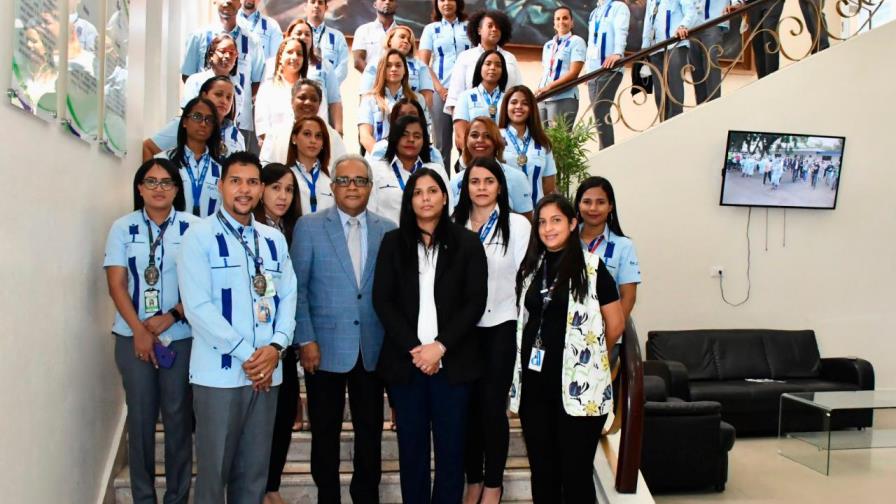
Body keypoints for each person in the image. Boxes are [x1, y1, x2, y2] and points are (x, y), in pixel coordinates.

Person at [177, 151, 297, 504]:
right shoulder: (198, 237)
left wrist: (275, 348)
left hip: (267, 375)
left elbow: (288, 295)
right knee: (214, 475)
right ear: (220, 186)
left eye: (252, 182)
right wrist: (251, 356)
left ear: (260, 189)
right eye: (236, 181)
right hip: (219, 376)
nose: (244, 190)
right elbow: (198, 308)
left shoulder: (273, 240)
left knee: (254, 474)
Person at [373, 168, 488, 504]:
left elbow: (474, 302)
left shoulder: (467, 243)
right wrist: (416, 350)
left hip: (453, 365)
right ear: (410, 201)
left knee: (452, 453)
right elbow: (384, 300)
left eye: (432, 190)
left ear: (444, 196)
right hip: (406, 365)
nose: (425, 198)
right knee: (412, 452)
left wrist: (439, 348)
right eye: (418, 192)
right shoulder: (393, 243)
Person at [292, 154, 396, 504]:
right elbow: (298, 289)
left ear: (370, 187)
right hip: (322, 348)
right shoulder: (309, 227)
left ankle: (365, 496)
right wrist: (305, 338)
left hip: (373, 349)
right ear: (332, 186)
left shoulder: (388, 230)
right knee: (324, 433)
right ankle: (328, 497)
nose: (352, 187)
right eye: (344, 180)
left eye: (360, 181)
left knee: (370, 433)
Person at [509, 194, 625, 504]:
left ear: (573, 224)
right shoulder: (532, 267)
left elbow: (615, 325)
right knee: (543, 473)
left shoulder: (593, 269)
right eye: (542, 222)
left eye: (556, 220)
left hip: (578, 391)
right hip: (535, 388)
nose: (548, 228)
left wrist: (590, 358)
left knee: (575, 475)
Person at [104, 159, 198, 504]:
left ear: (177, 189)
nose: (159, 188)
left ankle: (177, 497)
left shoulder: (193, 227)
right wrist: (139, 331)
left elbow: (203, 286)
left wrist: (171, 316)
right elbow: (116, 284)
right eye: (151, 182)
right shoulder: (122, 227)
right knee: (141, 420)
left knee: (178, 419)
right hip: (133, 337)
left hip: (181, 337)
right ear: (139, 188)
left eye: (166, 182)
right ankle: (144, 497)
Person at [452, 157, 530, 504]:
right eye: (474, 181)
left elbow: (525, 281)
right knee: (466, 407)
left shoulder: (517, 225)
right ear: (465, 187)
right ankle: (474, 479)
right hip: (462, 331)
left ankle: (494, 483)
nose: (481, 188)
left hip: (501, 324)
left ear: (500, 185)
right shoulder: (454, 225)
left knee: (491, 406)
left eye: (488, 181)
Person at [252, 163, 303, 504]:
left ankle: (270, 486)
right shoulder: (248, 229)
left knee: (284, 416)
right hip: (251, 340)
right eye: (275, 188)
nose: (282, 196)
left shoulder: (296, 230)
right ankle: (253, 487)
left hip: (284, 338)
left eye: (288, 189)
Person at [181, 0, 266, 150]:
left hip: (240, 124)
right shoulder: (198, 36)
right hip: (201, 123)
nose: (227, 1)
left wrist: (232, 102)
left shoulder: (252, 40)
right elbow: (188, 76)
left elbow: (257, 82)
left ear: (240, 3)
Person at [574, 177, 640, 319]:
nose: (593, 208)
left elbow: (628, 297)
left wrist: (609, 335)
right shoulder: (566, 240)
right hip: (567, 333)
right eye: (587, 202)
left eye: (601, 202)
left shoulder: (623, 246)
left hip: (607, 333)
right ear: (578, 204)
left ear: (610, 206)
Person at [419, 0, 471, 171]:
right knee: (442, 145)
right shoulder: (431, 29)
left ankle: (465, 186)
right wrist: (440, 89)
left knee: (467, 143)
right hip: (440, 92)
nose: (446, 3)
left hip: (466, 94)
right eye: (441, 0)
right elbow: (423, 63)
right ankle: (444, 188)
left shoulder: (469, 27)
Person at [369, 115, 450, 224]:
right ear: (394, 138)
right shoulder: (375, 170)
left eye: (417, 136)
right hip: (387, 238)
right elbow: (370, 213)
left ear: (424, 141)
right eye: (404, 135)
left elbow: (448, 211)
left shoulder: (436, 170)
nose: (411, 140)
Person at [144, 76, 244, 161]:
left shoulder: (236, 135)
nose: (224, 101)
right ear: (204, 95)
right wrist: (149, 180)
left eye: (229, 97)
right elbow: (148, 147)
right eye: (218, 94)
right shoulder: (186, 123)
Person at [449, 117, 533, 216]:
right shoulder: (454, 182)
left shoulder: (517, 178)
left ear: (496, 142)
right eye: (474, 135)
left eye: (487, 136)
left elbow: (526, 223)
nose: (480, 140)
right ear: (466, 141)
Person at [445, 10, 522, 115]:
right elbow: (454, 98)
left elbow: (519, 91)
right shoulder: (465, 57)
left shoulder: (510, 58)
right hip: (472, 119)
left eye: (498, 27)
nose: (494, 29)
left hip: (503, 119)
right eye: (490, 26)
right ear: (479, 30)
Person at [259, 79, 348, 169]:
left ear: (319, 104)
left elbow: (343, 168)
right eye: (302, 98)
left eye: (313, 99)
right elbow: (265, 167)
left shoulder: (332, 136)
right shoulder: (275, 134)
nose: (308, 102)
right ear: (292, 101)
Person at [358, 49, 429, 154]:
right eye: (388, 65)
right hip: (378, 158)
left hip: (409, 158)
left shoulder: (418, 99)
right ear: (381, 69)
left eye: (398, 65)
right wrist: (383, 159)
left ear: (405, 70)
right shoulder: (369, 99)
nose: (394, 69)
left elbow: (424, 133)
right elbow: (365, 136)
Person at [164, 97, 225, 218]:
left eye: (209, 120)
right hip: (173, 233)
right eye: (197, 116)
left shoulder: (222, 168)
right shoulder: (164, 161)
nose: (203, 123)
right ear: (185, 122)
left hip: (210, 234)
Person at [281, 19, 344, 133]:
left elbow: (334, 100)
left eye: (307, 34)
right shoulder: (278, 65)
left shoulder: (324, 65)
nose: (303, 37)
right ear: (289, 36)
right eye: (299, 33)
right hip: (286, 129)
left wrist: (339, 131)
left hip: (317, 130)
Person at [499, 85, 557, 207]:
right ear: (506, 107)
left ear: (531, 108)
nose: (519, 106)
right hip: (506, 213)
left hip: (536, 214)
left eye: (525, 103)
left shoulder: (542, 142)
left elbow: (548, 185)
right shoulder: (496, 138)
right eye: (514, 102)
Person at [584, 0, 629, 149]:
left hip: (610, 68)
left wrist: (617, 53)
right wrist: (587, 70)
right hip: (593, 72)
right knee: (598, 115)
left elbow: (621, 30)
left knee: (600, 109)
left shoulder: (619, 7)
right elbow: (592, 42)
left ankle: (606, 150)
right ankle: (606, 149)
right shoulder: (594, 12)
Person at [641, 0, 697, 120]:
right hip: (655, 47)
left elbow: (691, 11)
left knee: (674, 88)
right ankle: (663, 126)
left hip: (675, 44)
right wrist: (645, 48)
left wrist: (683, 26)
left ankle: (675, 126)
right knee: (660, 93)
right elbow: (648, 21)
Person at [359, 26, 435, 109]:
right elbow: (365, 96)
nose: (406, 41)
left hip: (411, 115)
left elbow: (427, 98)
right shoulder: (374, 63)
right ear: (390, 40)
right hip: (381, 114)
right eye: (402, 37)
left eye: (409, 40)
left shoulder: (420, 65)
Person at [535, 7, 586, 127]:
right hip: (543, 98)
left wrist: (549, 87)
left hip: (563, 97)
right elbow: (547, 72)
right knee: (542, 141)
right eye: (557, 19)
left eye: (565, 18)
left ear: (572, 22)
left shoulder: (577, 41)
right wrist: (541, 89)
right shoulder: (548, 45)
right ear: (554, 23)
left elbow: (574, 73)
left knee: (559, 142)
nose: (561, 21)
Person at [181, 34, 245, 128]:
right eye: (222, 51)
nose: (227, 56)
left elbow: (233, 121)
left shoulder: (238, 89)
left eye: (232, 53)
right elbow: (188, 113)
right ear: (211, 54)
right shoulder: (195, 81)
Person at [255, 38, 310, 144]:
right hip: (274, 153)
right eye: (289, 52)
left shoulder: (311, 90)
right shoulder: (267, 89)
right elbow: (262, 129)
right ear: (280, 56)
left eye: (299, 54)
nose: (294, 57)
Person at [453, 50, 507, 152]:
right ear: (479, 68)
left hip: (504, 156)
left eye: (498, 65)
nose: (492, 68)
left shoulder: (509, 99)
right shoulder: (466, 96)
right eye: (488, 64)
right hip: (473, 156)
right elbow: (461, 134)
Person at [367, 96, 445, 163]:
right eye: (402, 115)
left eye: (412, 114)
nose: (407, 119)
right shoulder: (380, 150)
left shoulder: (434, 154)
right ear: (394, 120)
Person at [287, 116, 335, 215]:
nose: (313, 140)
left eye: (318, 136)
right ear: (294, 138)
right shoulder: (286, 175)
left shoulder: (332, 176)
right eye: (307, 134)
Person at [689, 0, 733, 104]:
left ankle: (714, 104)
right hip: (693, 24)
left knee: (710, 59)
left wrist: (736, 3)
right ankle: (701, 106)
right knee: (695, 65)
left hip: (714, 19)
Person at [305, 0, 350, 84]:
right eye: (313, 2)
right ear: (305, 7)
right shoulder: (298, 34)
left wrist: (327, 85)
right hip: (301, 91)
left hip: (328, 92)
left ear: (326, 8)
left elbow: (342, 67)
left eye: (320, 2)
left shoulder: (337, 37)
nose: (316, 5)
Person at [353, 0, 400, 73]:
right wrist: (376, 78)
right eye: (383, 0)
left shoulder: (402, 33)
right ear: (375, 4)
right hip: (371, 82)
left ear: (396, 5)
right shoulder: (363, 30)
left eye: (391, 0)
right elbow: (358, 61)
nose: (387, 2)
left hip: (396, 82)